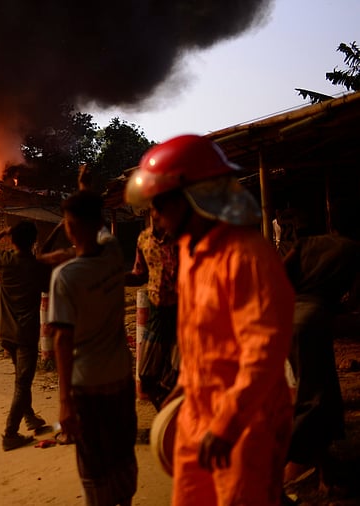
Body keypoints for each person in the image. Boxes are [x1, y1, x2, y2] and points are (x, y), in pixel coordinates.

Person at [125, 134, 294, 506]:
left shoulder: (247, 256)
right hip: (198, 411)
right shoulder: (190, 251)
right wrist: (185, 385)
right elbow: (198, 335)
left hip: (246, 421)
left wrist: (227, 423)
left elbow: (263, 352)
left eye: (160, 203)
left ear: (193, 197)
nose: (154, 214)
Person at [47, 190, 137, 505]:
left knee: (95, 466)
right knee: (122, 455)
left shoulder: (65, 277)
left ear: (69, 227)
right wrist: (85, 189)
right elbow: (101, 234)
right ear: (100, 221)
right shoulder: (114, 254)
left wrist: (64, 403)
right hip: (122, 377)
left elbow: (62, 339)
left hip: (88, 386)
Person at [282, 201, 360, 493]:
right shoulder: (354, 251)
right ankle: (272, 462)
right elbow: (352, 302)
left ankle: (326, 473)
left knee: (324, 397)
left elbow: (281, 273)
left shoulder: (307, 243)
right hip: (314, 320)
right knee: (314, 402)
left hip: (289, 316)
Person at [0, 221, 53, 451]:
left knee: (20, 378)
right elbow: (50, 284)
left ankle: (30, 416)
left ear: (12, 240)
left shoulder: (5, 260)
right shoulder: (36, 267)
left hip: (6, 331)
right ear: (33, 241)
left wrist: (3, 231)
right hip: (25, 334)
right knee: (23, 382)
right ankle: (10, 434)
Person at [124, 213, 179, 410]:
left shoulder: (182, 236)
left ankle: (176, 424)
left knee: (178, 375)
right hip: (157, 313)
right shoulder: (144, 239)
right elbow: (140, 275)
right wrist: (114, 277)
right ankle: (166, 418)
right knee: (147, 377)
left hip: (182, 312)